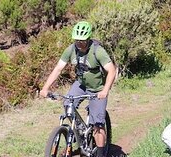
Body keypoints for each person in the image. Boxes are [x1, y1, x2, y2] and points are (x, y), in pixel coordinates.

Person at [40, 21, 117, 157]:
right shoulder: (71, 49)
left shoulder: (97, 51)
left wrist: (105, 90)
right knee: (68, 105)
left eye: (82, 41)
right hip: (81, 85)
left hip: (98, 89)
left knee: (98, 125)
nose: (79, 43)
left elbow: (111, 70)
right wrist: (45, 88)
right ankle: (80, 132)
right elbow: (58, 68)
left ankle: (100, 153)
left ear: (88, 39)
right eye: (77, 40)